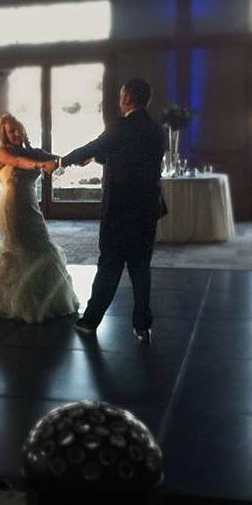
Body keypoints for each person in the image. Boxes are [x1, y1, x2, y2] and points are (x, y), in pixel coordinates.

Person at [62, 79, 167, 344]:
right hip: (146, 209)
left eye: (121, 96)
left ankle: (90, 322)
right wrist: (99, 156)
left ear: (128, 98)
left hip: (120, 209)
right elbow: (132, 157)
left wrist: (62, 161)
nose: (120, 101)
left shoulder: (120, 126)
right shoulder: (157, 130)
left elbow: (93, 148)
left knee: (109, 264)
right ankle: (142, 326)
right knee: (141, 268)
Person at [0, 114, 78, 323]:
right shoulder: (3, 153)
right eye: (9, 131)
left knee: (41, 245)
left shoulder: (35, 152)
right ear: (3, 135)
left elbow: (58, 160)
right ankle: (16, 301)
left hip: (31, 206)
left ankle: (45, 298)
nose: (15, 133)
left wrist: (78, 159)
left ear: (22, 129)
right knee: (19, 248)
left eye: (17, 129)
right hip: (12, 208)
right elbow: (20, 162)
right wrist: (39, 165)